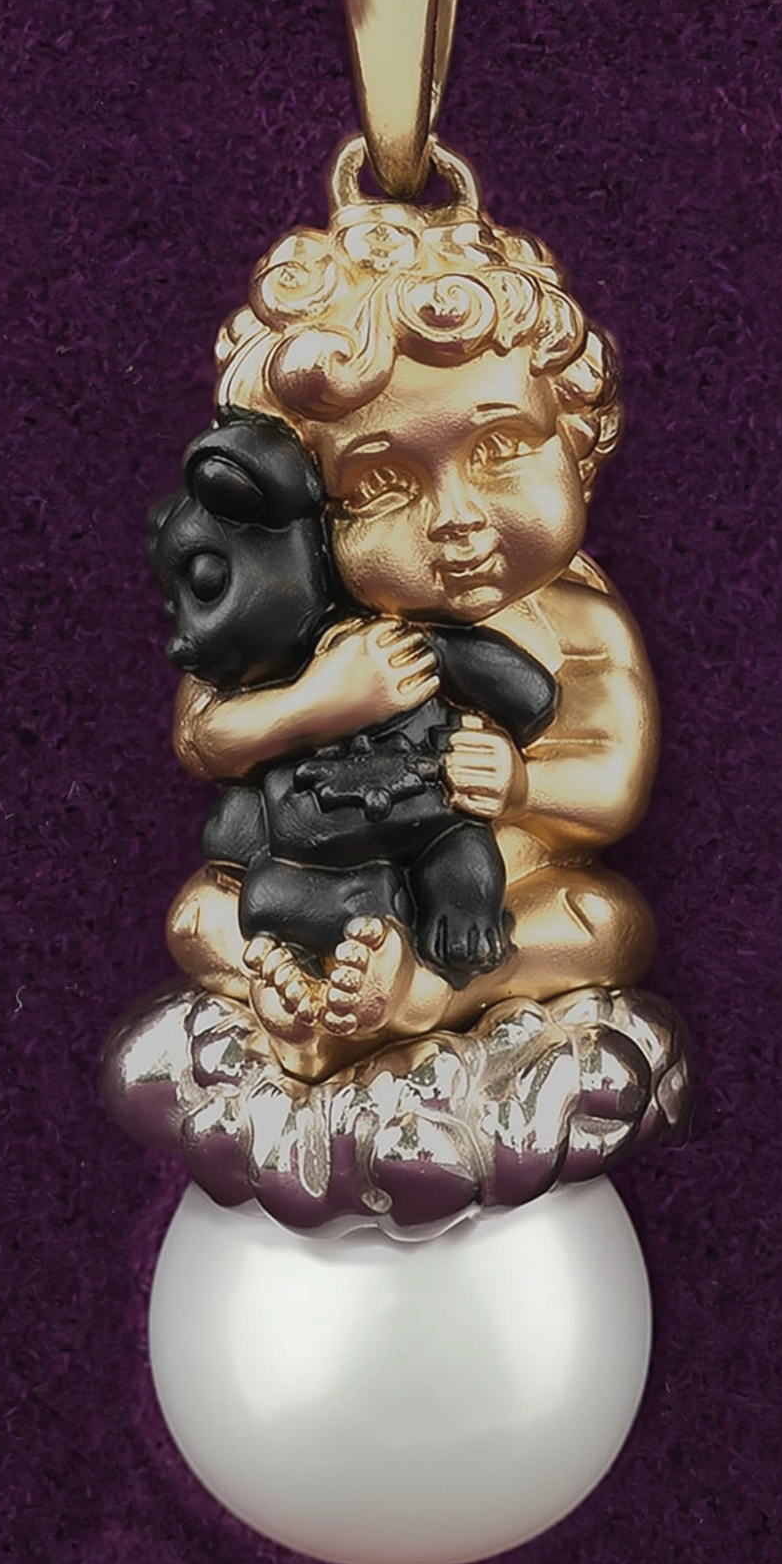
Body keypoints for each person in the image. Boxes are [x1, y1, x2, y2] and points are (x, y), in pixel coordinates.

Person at [163, 183, 659, 1085]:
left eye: (498, 450)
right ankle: (295, 1003)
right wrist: (318, 703)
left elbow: (613, 788)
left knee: (604, 921)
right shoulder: (302, 626)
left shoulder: (579, 621)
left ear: (576, 434)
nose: (456, 519)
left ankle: (420, 992)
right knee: (199, 915)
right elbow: (204, 739)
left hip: (498, 895)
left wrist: (520, 786)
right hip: (302, 876)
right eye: (384, 484)